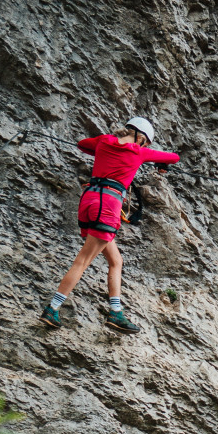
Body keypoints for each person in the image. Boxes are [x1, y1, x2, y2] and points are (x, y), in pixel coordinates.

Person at [41, 116, 178, 334]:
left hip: (89, 201)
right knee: (83, 261)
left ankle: (116, 313)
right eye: (146, 143)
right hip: (107, 205)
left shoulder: (104, 141)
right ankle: (52, 308)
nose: (145, 147)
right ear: (141, 138)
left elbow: (82, 144)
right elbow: (174, 157)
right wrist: (156, 161)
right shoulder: (139, 152)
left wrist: (105, 150)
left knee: (116, 260)